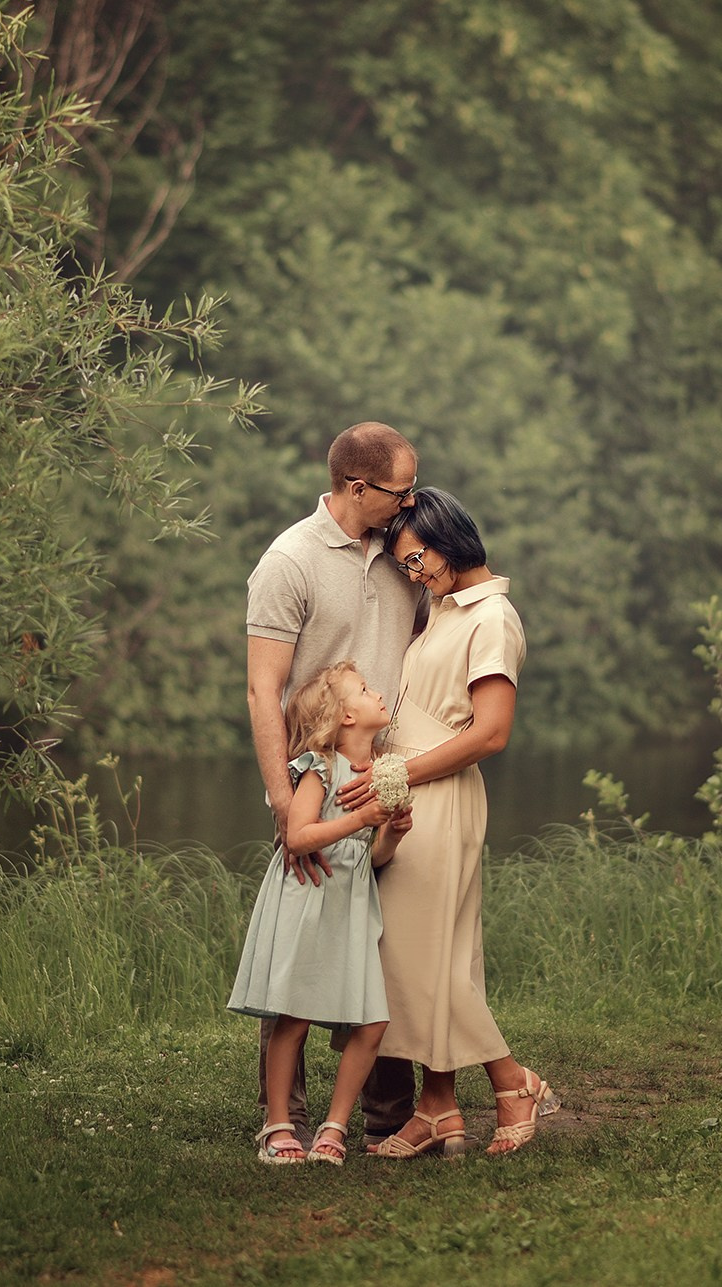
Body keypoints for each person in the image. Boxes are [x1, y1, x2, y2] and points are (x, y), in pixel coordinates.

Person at [346, 487, 560, 1157]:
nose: (416, 573)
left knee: (423, 960)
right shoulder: (439, 609)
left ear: (451, 536)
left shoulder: (492, 616)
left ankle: (512, 1079)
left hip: (438, 791)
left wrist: (403, 774)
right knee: (419, 953)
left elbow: (492, 733)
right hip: (406, 789)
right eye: (406, 565)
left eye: (420, 558)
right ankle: (438, 1105)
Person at [245, 423, 424, 1148]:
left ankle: (378, 1111)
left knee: (383, 943)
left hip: (386, 777)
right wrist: (288, 803)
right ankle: (279, 1116)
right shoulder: (290, 560)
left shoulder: (404, 557)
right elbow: (265, 689)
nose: (410, 499)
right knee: (300, 951)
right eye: (399, 489)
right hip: (314, 784)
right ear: (357, 487)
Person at [226, 663, 409, 1165]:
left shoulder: (380, 769)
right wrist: (360, 818)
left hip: (351, 900)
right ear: (347, 716)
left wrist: (392, 831)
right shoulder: (320, 767)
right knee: (296, 1013)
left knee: (371, 1023)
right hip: (310, 898)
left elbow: (373, 857)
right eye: (367, 690)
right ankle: (278, 1124)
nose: (379, 694)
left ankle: (334, 1128)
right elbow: (298, 836)